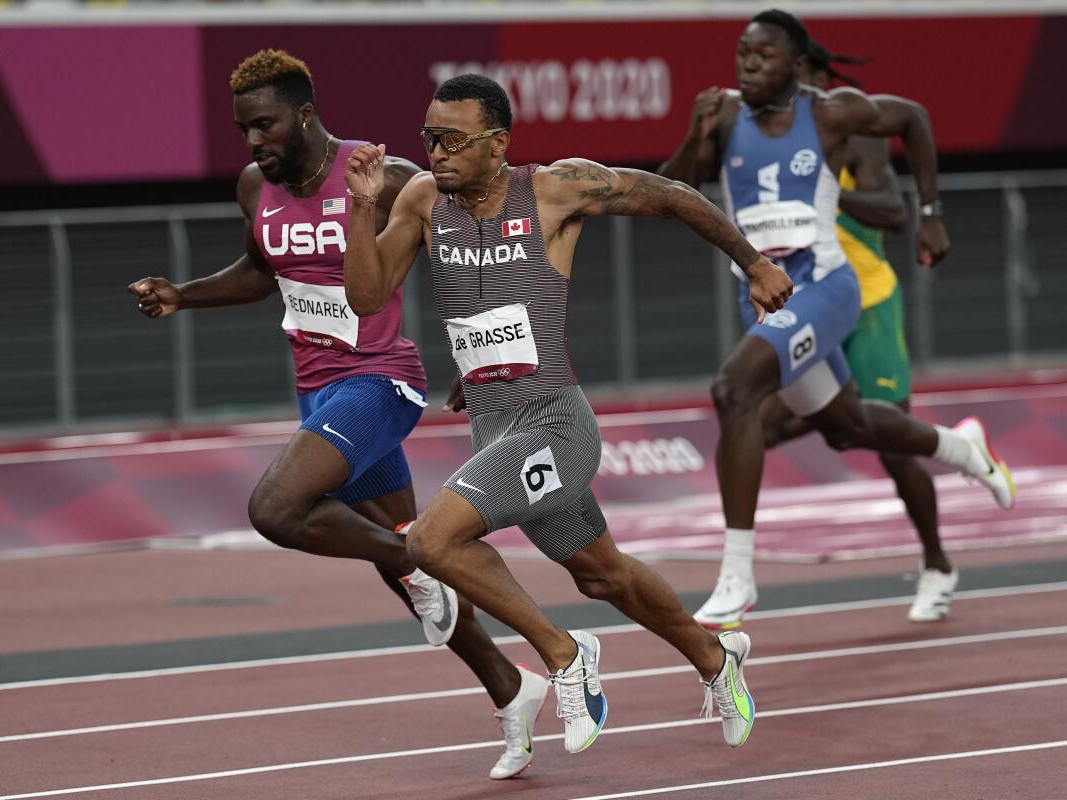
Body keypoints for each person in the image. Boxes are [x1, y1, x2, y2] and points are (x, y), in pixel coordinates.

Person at [342, 73, 793, 755]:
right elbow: (367, 299)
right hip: (494, 428)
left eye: (453, 139)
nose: (435, 152)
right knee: (602, 575)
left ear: (498, 145)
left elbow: (669, 195)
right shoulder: (422, 200)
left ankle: (563, 654)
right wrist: (359, 208)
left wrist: (753, 262)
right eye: (428, 136)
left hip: (556, 424)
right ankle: (714, 657)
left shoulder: (554, 188)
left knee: (429, 542)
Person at [127, 49, 545, 781]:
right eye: (243, 130)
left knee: (277, 509)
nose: (254, 142)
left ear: (306, 116)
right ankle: (513, 689)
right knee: (406, 555)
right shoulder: (256, 184)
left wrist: (479, 352)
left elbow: (471, 258)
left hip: (381, 381)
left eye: (266, 125)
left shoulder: (382, 178)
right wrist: (181, 294)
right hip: (317, 389)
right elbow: (261, 272)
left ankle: (422, 567)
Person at [658, 9, 1015, 629]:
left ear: (796, 65)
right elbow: (667, 199)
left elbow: (914, 118)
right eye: (742, 52)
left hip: (827, 286)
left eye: (763, 55)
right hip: (769, 301)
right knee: (848, 426)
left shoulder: (831, 112)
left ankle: (737, 576)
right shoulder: (723, 120)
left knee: (734, 389)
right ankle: (962, 448)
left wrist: (930, 211)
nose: (747, 64)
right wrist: (695, 133)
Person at [751, 38, 959, 622]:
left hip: (867, 302)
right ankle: (735, 573)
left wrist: (827, 191)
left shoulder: (852, 133)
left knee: (892, 449)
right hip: (809, 304)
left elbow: (893, 212)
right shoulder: (763, 137)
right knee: (759, 424)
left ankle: (938, 564)